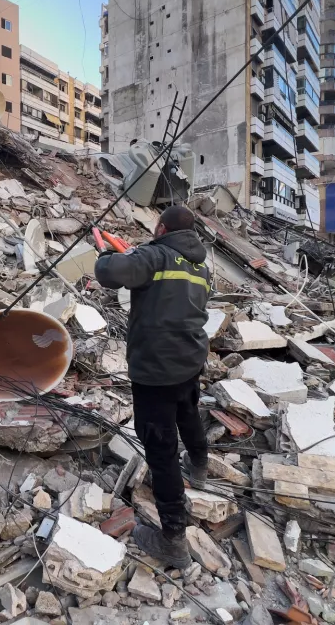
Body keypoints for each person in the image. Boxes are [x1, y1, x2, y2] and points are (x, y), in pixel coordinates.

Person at [94, 205, 210, 568]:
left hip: (155, 369)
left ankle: (172, 539)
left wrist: (105, 254)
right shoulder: (199, 267)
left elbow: (109, 274)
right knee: (188, 412)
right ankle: (200, 467)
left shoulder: (155, 256)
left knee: (160, 449)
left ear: (160, 228)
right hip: (189, 360)